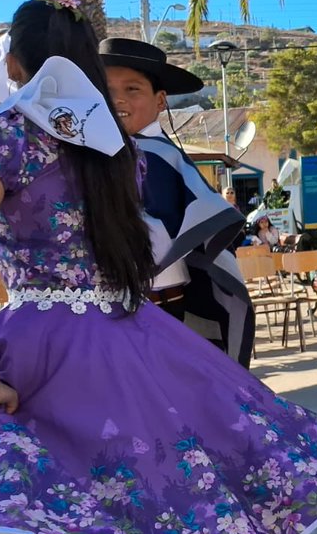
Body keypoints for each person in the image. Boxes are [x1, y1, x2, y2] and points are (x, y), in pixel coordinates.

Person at [0, 0, 317, 534]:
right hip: (127, 339)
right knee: (128, 532)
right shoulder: (117, 149)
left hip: (32, 347)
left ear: (13, 63)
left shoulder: (0, 133)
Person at [100, 36, 254, 366]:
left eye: (132, 89)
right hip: (107, 307)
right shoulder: (95, 155)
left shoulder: (163, 157)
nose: (117, 99)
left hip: (159, 303)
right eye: (107, 89)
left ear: (160, 101)